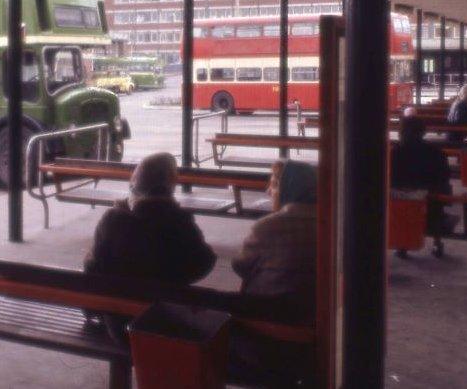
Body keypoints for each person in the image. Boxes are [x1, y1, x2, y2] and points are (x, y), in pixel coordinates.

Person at [83, 152, 216, 342]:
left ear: (135, 186)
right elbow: (203, 263)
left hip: (118, 325)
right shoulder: (179, 222)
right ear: (170, 185)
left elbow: (93, 267)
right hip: (163, 324)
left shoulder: (113, 220)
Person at [229, 159, 317, 386]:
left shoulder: (267, 227)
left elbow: (241, 265)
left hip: (265, 337)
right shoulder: (332, 224)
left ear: (288, 188)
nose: (268, 191)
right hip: (318, 335)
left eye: (274, 184)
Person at [390, 116, 454, 254]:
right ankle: (437, 242)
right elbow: (444, 178)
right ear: (423, 132)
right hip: (429, 210)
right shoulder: (436, 154)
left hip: (397, 210)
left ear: (401, 132)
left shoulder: (393, 154)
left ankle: (402, 245)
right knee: (440, 193)